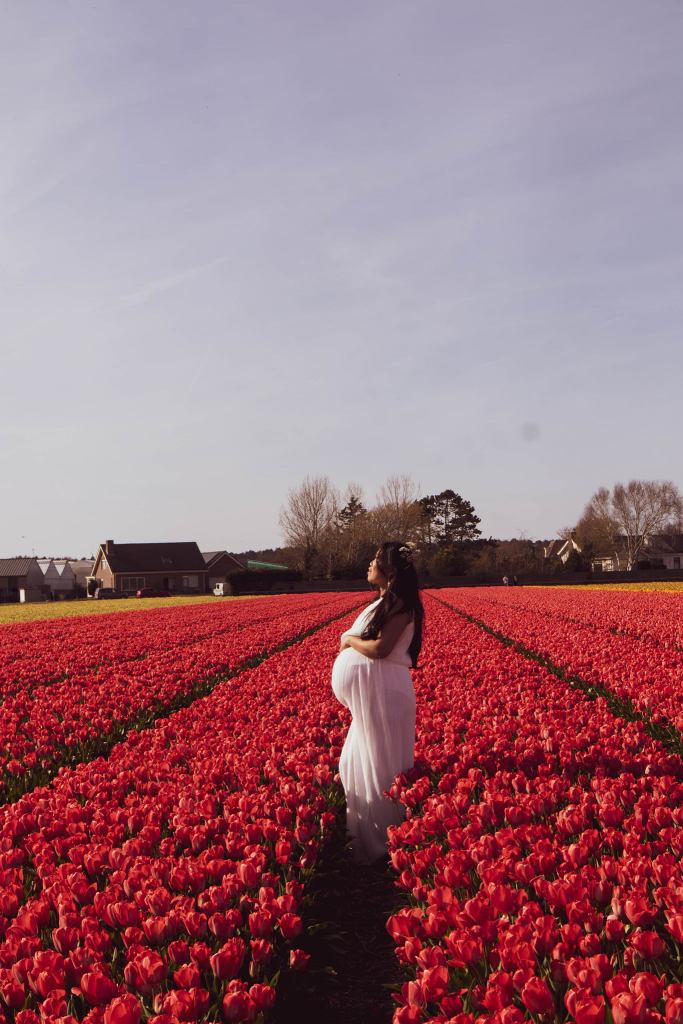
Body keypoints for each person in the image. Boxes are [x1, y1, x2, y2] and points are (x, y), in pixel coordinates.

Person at [331, 542, 424, 864]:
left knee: (380, 769)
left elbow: (381, 649)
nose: (370, 564)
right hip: (373, 697)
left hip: (384, 694)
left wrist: (349, 640)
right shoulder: (383, 603)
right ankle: (366, 843)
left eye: (375, 559)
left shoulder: (401, 605)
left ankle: (386, 847)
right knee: (354, 763)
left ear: (391, 569)